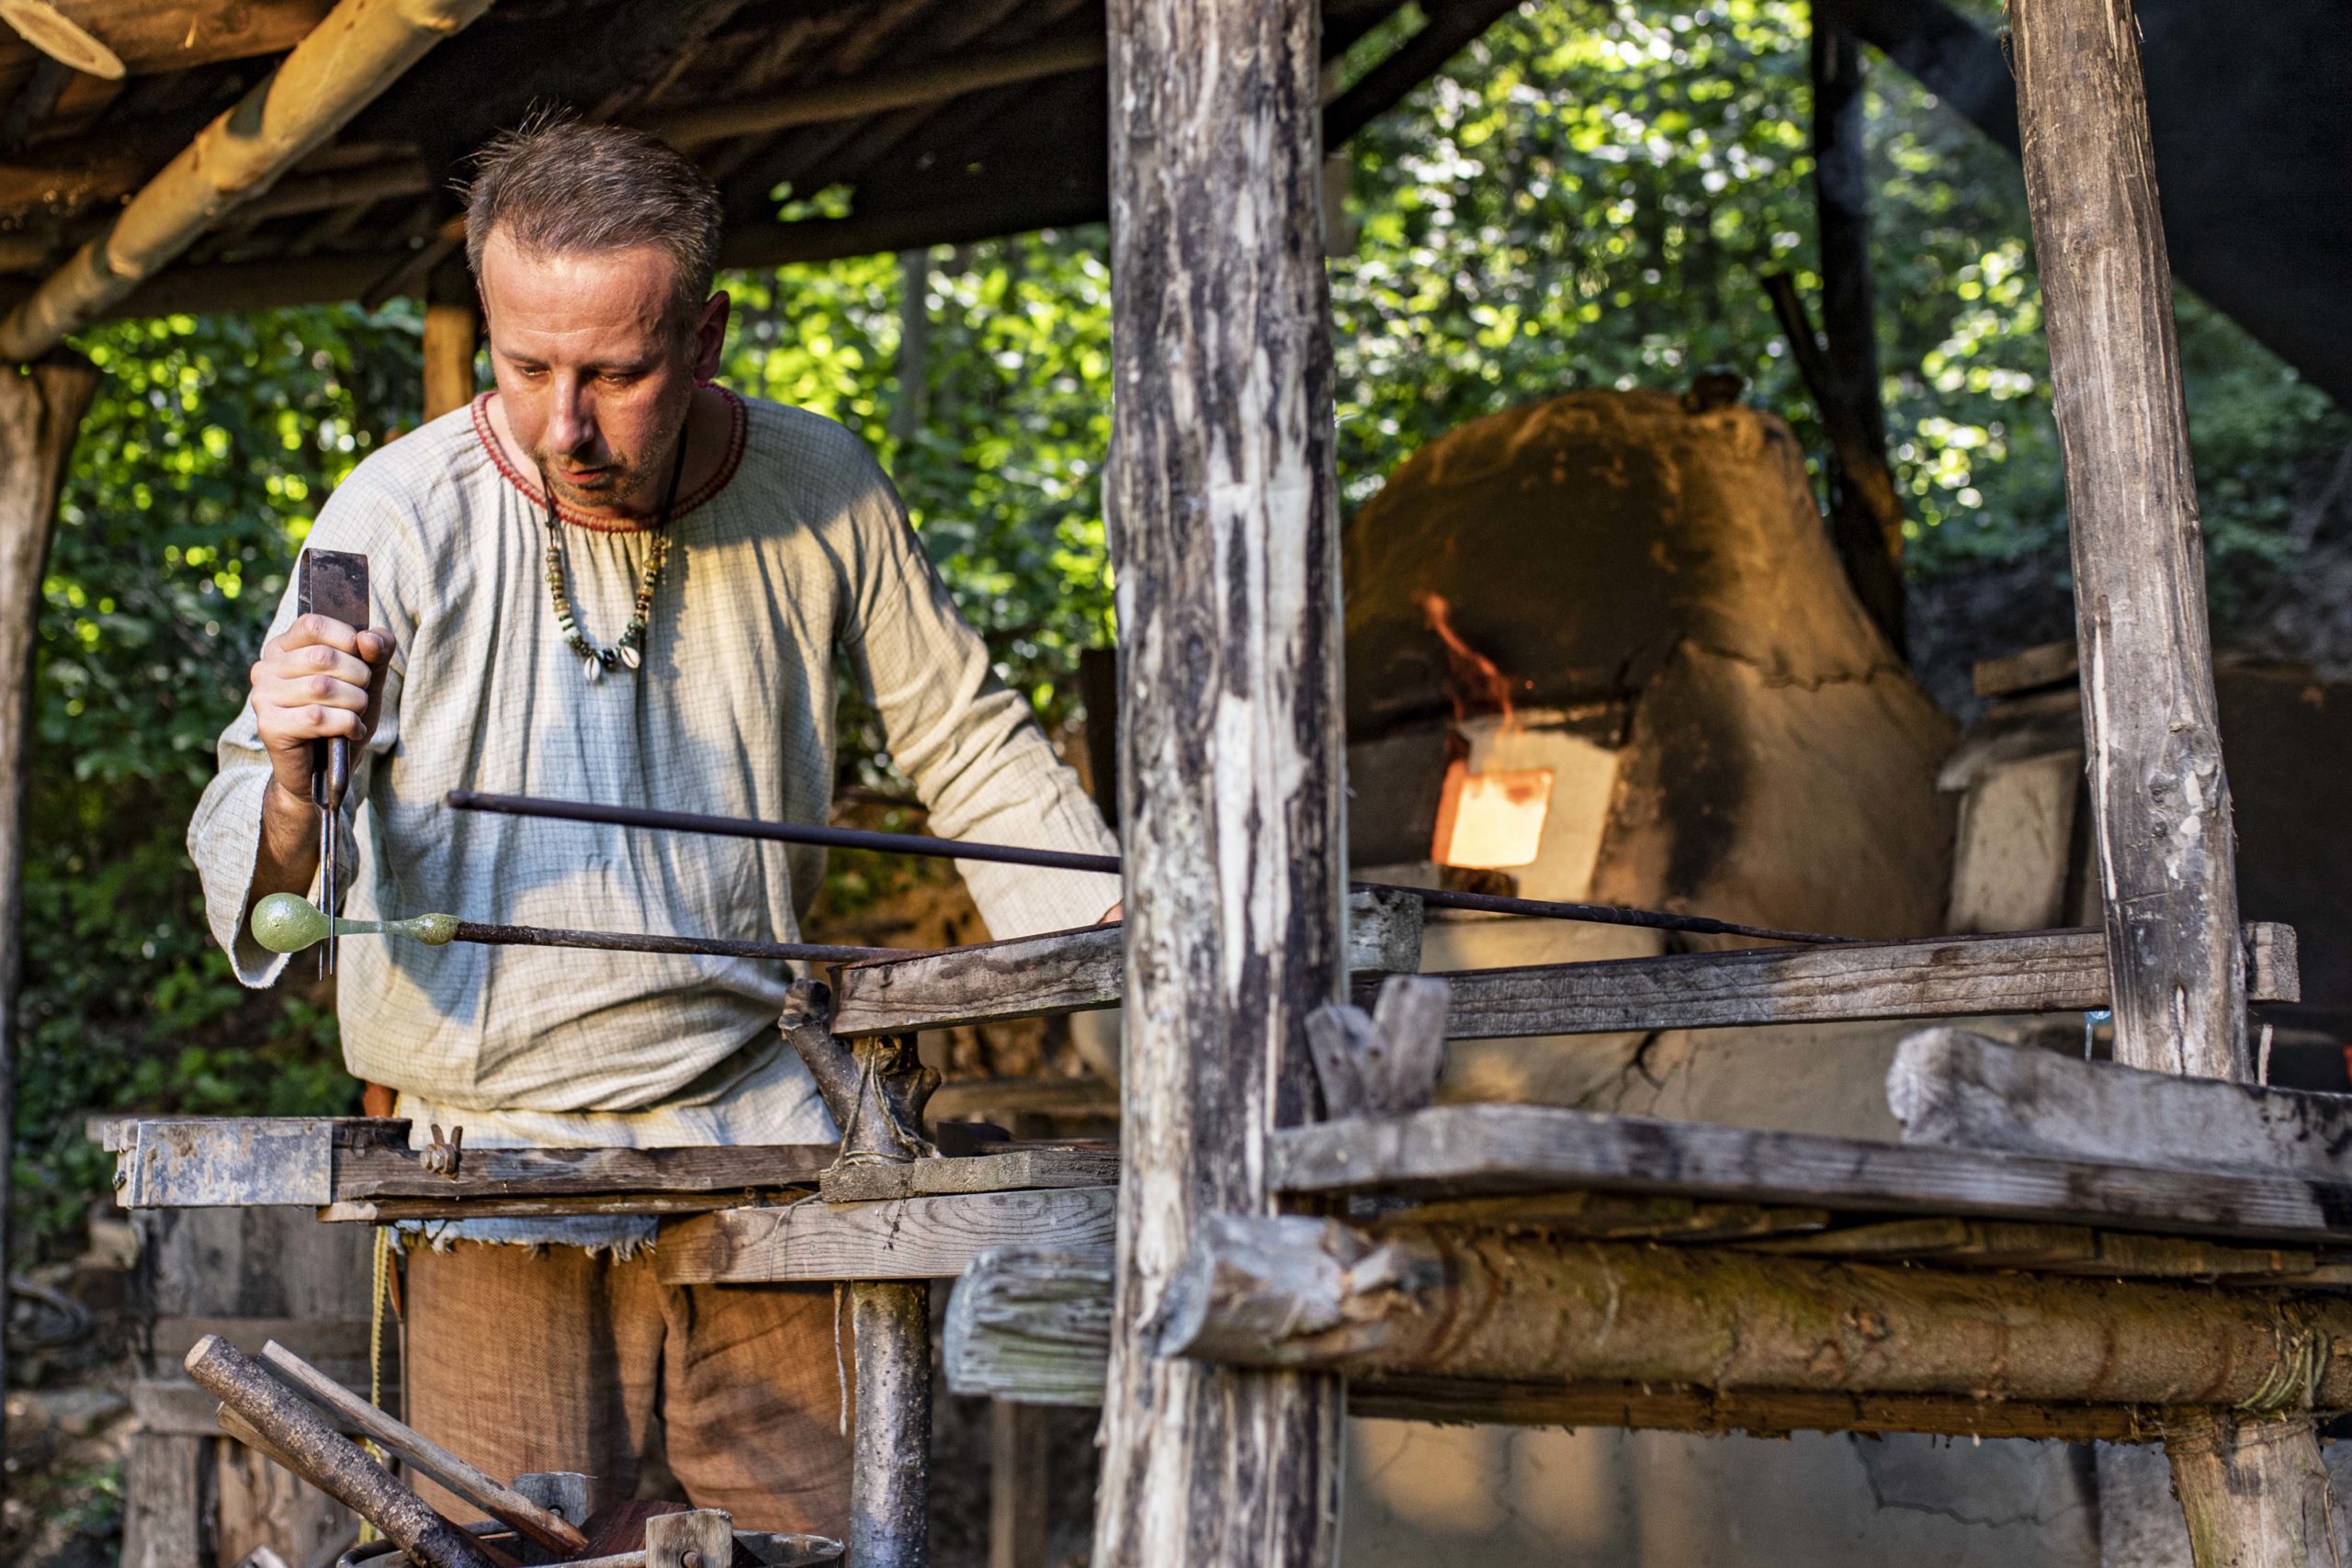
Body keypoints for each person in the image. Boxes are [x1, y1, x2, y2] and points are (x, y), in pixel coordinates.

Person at [186, 118, 1120, 1533]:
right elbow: (263, 865)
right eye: (526, 368)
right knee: (527, 1551)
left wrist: (1124, 948)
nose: (564, 425)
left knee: (822, 1547)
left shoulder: (821, 489)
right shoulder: (398, 515)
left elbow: (971, 746)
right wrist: (299, 788)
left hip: (772, 1143)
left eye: (616, 374)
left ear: (707, 335)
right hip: (492, 1170)